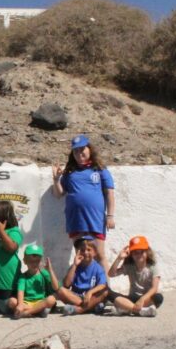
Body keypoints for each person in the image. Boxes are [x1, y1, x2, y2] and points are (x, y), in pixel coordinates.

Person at [51, 134, 117, 273]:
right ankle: (82, 288)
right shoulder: (69, 173)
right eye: (76, 151)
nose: (79, 153)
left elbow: (109, 193)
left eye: (82, 149)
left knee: (99, 255)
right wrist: (57, 180)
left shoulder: (100, 169)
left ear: (89, 149)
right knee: (80, 256)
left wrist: (110, 216)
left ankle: (105, 289)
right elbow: (59, 194)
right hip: (76, 219)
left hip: (96, 219)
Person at [107, 235, 163, 317]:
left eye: (142, 252)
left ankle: (126, 308)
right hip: (132, 298)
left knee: (158, 297)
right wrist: (119, 258)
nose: (139, 255)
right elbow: (111, 274)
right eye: (136, 252)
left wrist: (142, 299)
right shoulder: (130, 266)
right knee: (107, 292)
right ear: (131, 254)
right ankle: (140, 310)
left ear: (147, 252)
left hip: (146, 299)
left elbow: (154, 288)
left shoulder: (152, 267)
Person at [58, 236, 110, 316]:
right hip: (77, 297)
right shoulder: (75, 266)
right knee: (60, 290)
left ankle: (79, 309)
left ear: (95, 252)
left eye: (89, 250)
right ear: (77, 252)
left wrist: (90, 292)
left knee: (105, 291)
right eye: (82, 250)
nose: (85, 252)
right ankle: (92, 307)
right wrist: (75, 265)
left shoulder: (97, 267)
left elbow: (102, 284)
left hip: (91, 296)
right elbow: (67, 285)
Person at [9, 245, 58, 318]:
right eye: (31, 261)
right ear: (25, 261)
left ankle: (27, 313)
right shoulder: (23, 276)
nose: (34, 264)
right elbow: (20, 292)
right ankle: (38, 311)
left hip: (40, 302)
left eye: (37, 261)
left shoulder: (43, 273)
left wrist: (50, 270)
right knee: (12, 301)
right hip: (27, 303)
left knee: (51, 299)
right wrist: (20, 305)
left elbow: (56, 287)